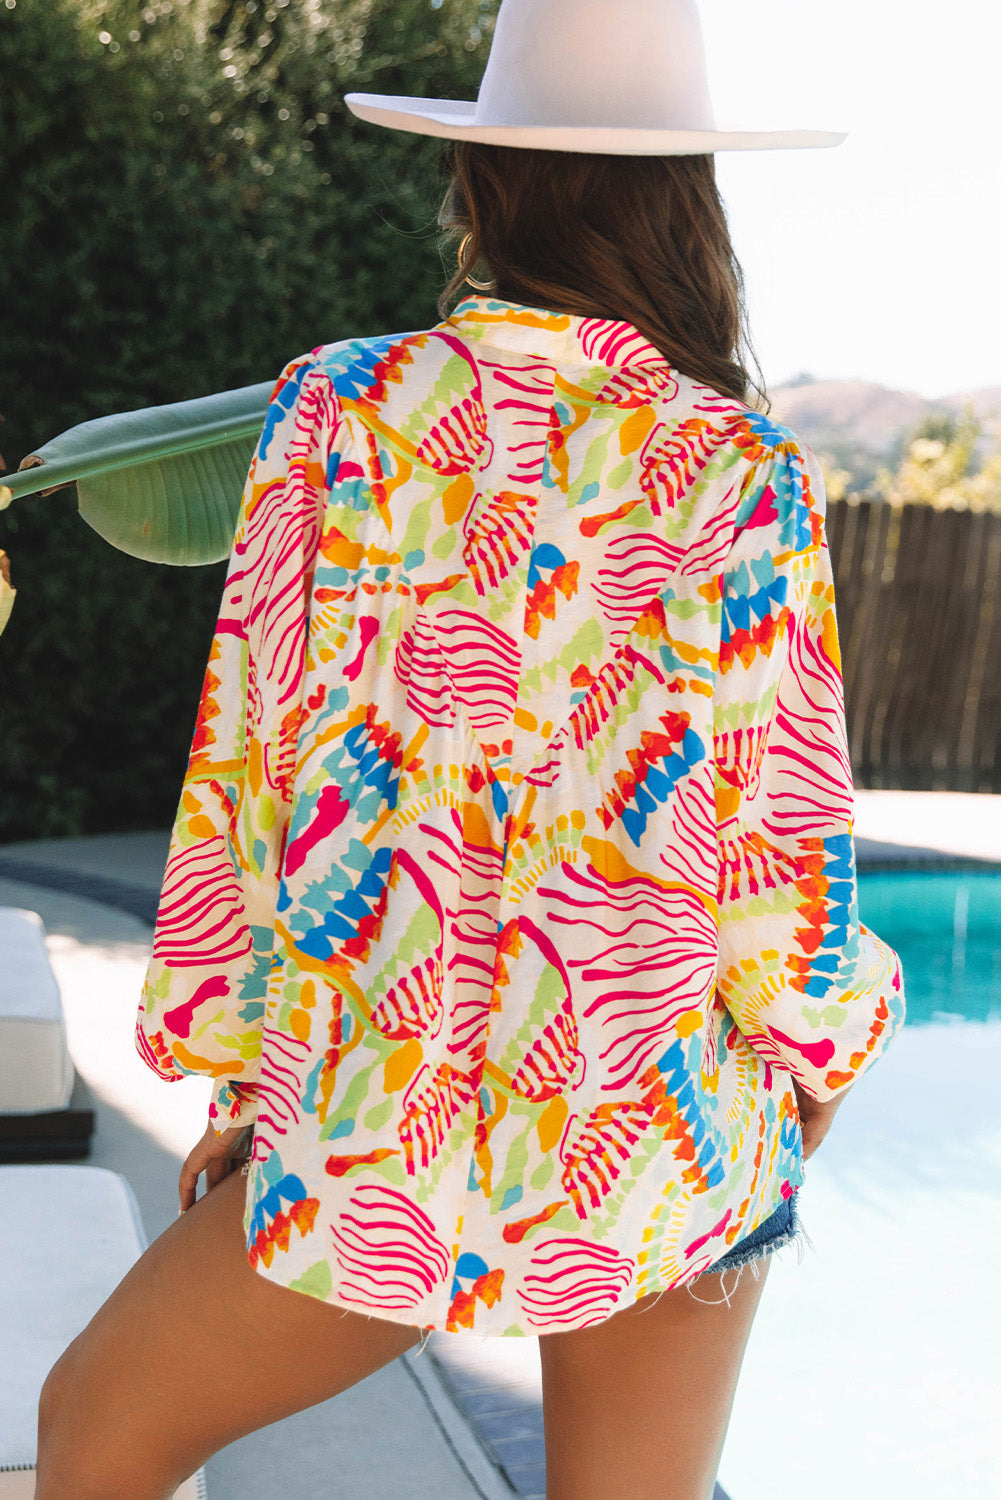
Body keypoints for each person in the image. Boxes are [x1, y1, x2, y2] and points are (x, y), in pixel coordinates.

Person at [36, 2, 904, 1497]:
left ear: (480, 179)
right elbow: (779, 846)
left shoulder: (336, 415)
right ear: (690, 196)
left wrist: (242, 1075)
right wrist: (823, 1050)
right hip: (657, 1119)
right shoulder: (740, 467)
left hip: (376, 1113)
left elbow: (247, 780)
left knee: (96, 1431)